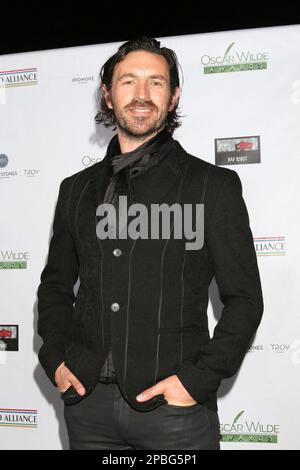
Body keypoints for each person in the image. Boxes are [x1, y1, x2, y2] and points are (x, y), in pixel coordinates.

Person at [37, 36, 263, 450]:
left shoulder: (212, 186)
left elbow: (245, 300)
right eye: (128, 82)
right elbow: (54, 287)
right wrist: (56, 360)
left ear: (174, 96)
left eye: (155, 82)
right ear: (107, 95)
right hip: (88, 409)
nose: (141, 94)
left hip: (175, 413)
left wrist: (196, 382)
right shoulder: (75, 190)